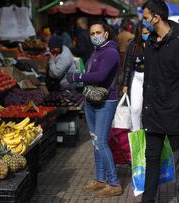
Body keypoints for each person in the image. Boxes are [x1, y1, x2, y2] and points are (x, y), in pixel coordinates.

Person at [141, 1, 179, 202]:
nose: (144, 22)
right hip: (153, 115)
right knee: (151, 160)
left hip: (175, 116)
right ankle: (148, 200)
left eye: (146, 18)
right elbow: (148, 80)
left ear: (156, 17)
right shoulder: (151, 43)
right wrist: (145, 112)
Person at [66, 21, 122, 198]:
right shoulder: (96, 51)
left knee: (101, 142)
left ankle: (114, 183)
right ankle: (100, 179)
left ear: (106, 34)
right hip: (91, 100)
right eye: (92, 33)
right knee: (95, 140)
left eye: (98, 32)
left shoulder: (111, 52)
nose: (95, 36)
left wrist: (76, 76)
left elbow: (100, 75)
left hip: (106, 102)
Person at [121, 23, 150, 131]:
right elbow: (128, 65)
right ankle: (136, 132)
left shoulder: (155, 43)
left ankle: (149, 134)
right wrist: (125, 84)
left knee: (148, 110)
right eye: (144, 33)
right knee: (135, 109)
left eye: (148, 33)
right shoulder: (133, 45)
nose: (147, 35)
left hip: (151, 80)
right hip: (137, 79)